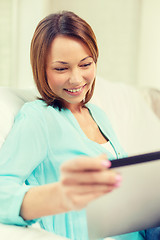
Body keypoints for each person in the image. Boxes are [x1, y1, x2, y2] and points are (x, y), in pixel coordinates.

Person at [0, 11, 146, 240]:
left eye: (85, 64)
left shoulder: (98, 115)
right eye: (61, 68)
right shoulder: (39, 119)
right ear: (42, 69)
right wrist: (58, 195)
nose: (76, 79)